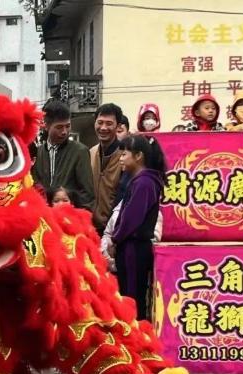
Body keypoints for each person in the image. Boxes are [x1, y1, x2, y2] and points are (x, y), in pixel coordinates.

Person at [109, 135, 166, 321]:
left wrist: (116, 238)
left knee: (132, 298)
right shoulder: (141, 181)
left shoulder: (145, 183)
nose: (121, 158)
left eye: (125, 153)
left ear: (138, 156)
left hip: (134, 247)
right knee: (129, 294)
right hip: (131, 246)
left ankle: (136, 340)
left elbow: (131, 218)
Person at [32, 100, 94, 210]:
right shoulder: (37, 153)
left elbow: (87, 195)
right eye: (59, 127)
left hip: (70, 220)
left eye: (68, 126)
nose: (65, 131)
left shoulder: (80, 151)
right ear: (46, 126)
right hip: (43, 220)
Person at [90, 103, 125, 234]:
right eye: (100, 122)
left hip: (114, 229)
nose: (103, 128)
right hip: (90, 228)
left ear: (118, 126)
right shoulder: (90, 152)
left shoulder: (125, 156)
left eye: (109, 123)